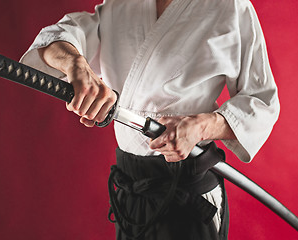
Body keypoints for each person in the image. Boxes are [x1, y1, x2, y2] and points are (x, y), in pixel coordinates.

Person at [20, 0, 280, 239]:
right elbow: (59, 37)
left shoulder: (229, 6)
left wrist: (200, 127)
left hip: (187, 191)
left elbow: (261, 101)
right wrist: (76, 64)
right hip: (131, 189)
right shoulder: (120, 4)